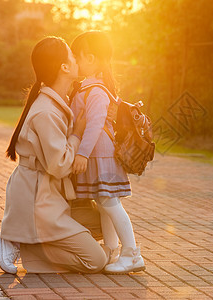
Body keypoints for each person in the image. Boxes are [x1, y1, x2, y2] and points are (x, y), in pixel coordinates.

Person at [0, 36, 107, 274]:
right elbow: (59, 165)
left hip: (54, 196)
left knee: (107, 221)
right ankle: (20, 237)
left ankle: (30, 238)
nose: (77, 59)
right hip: (38, 202)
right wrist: (77, 134)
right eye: (72, 55)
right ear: (64, 67)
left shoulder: (60, 102)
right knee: (96, 260)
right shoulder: (46, 111)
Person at [70, 31, 145, 274]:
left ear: (90, 58)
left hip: (101, 156)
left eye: (77, 57)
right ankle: (112, 250)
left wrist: (81, 153)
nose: (75, 62)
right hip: (98, 156)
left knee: (110, 203)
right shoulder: (90, 88)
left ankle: (132, 253)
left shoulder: (97, 91)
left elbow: (94, 124)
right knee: (104, 204)